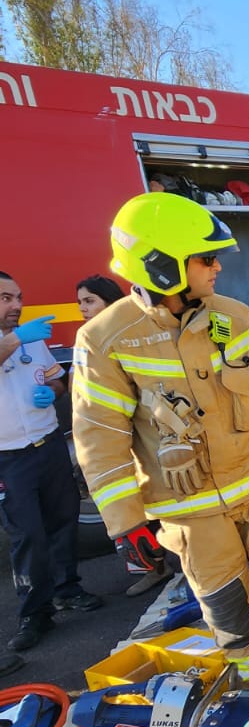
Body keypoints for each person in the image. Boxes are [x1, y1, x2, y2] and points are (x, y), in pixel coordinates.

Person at [71, 194, 249, 688]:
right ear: (161, 265)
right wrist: (126, 524)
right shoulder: (106, 338)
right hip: (191, 516)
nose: (216, 268)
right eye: (205, 258)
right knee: (232, 610)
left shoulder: (232, 316)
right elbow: (98, 438)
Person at [0, 271, 101, 658]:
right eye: (6, 298)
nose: (17, 305)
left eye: (19, 296)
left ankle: (67, 590)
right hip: (9, 457)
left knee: (63, 520)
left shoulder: (31, 339)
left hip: (48, 445)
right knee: (27, 535)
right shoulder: (18, 338)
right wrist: (14, 340)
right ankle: (34, 613)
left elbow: (59, 380)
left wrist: (51, 391)